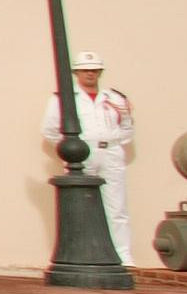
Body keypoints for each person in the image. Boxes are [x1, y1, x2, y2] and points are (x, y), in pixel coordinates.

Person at [43, 51, 135, 264]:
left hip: (110, 153)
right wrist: (70, 148)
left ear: (100, 72)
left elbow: (127, 126)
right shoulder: (63, 98)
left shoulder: (114, 98)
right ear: (77, 73)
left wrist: (112, 141)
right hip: (82, 154)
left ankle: (123, 255)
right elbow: (49, 129)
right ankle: (83, 253)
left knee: (117, 206)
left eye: (94, 70)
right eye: (85, 70)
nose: (90, 74)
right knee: (80, 203)